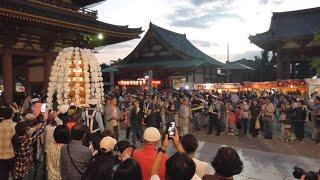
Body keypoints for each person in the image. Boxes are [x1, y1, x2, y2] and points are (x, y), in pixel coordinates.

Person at [11, 111, 49, 180]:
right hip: (26, 169)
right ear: (25, 132)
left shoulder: (14, 139)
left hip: (17, 167)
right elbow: (39, 132)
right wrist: (44, 121)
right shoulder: (25, 141)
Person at [0, 106, 16, 180]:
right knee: (11, 175)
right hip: (11, 154)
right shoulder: (15, 125)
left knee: (3, 176)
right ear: (12, 114)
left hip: (0, 155)